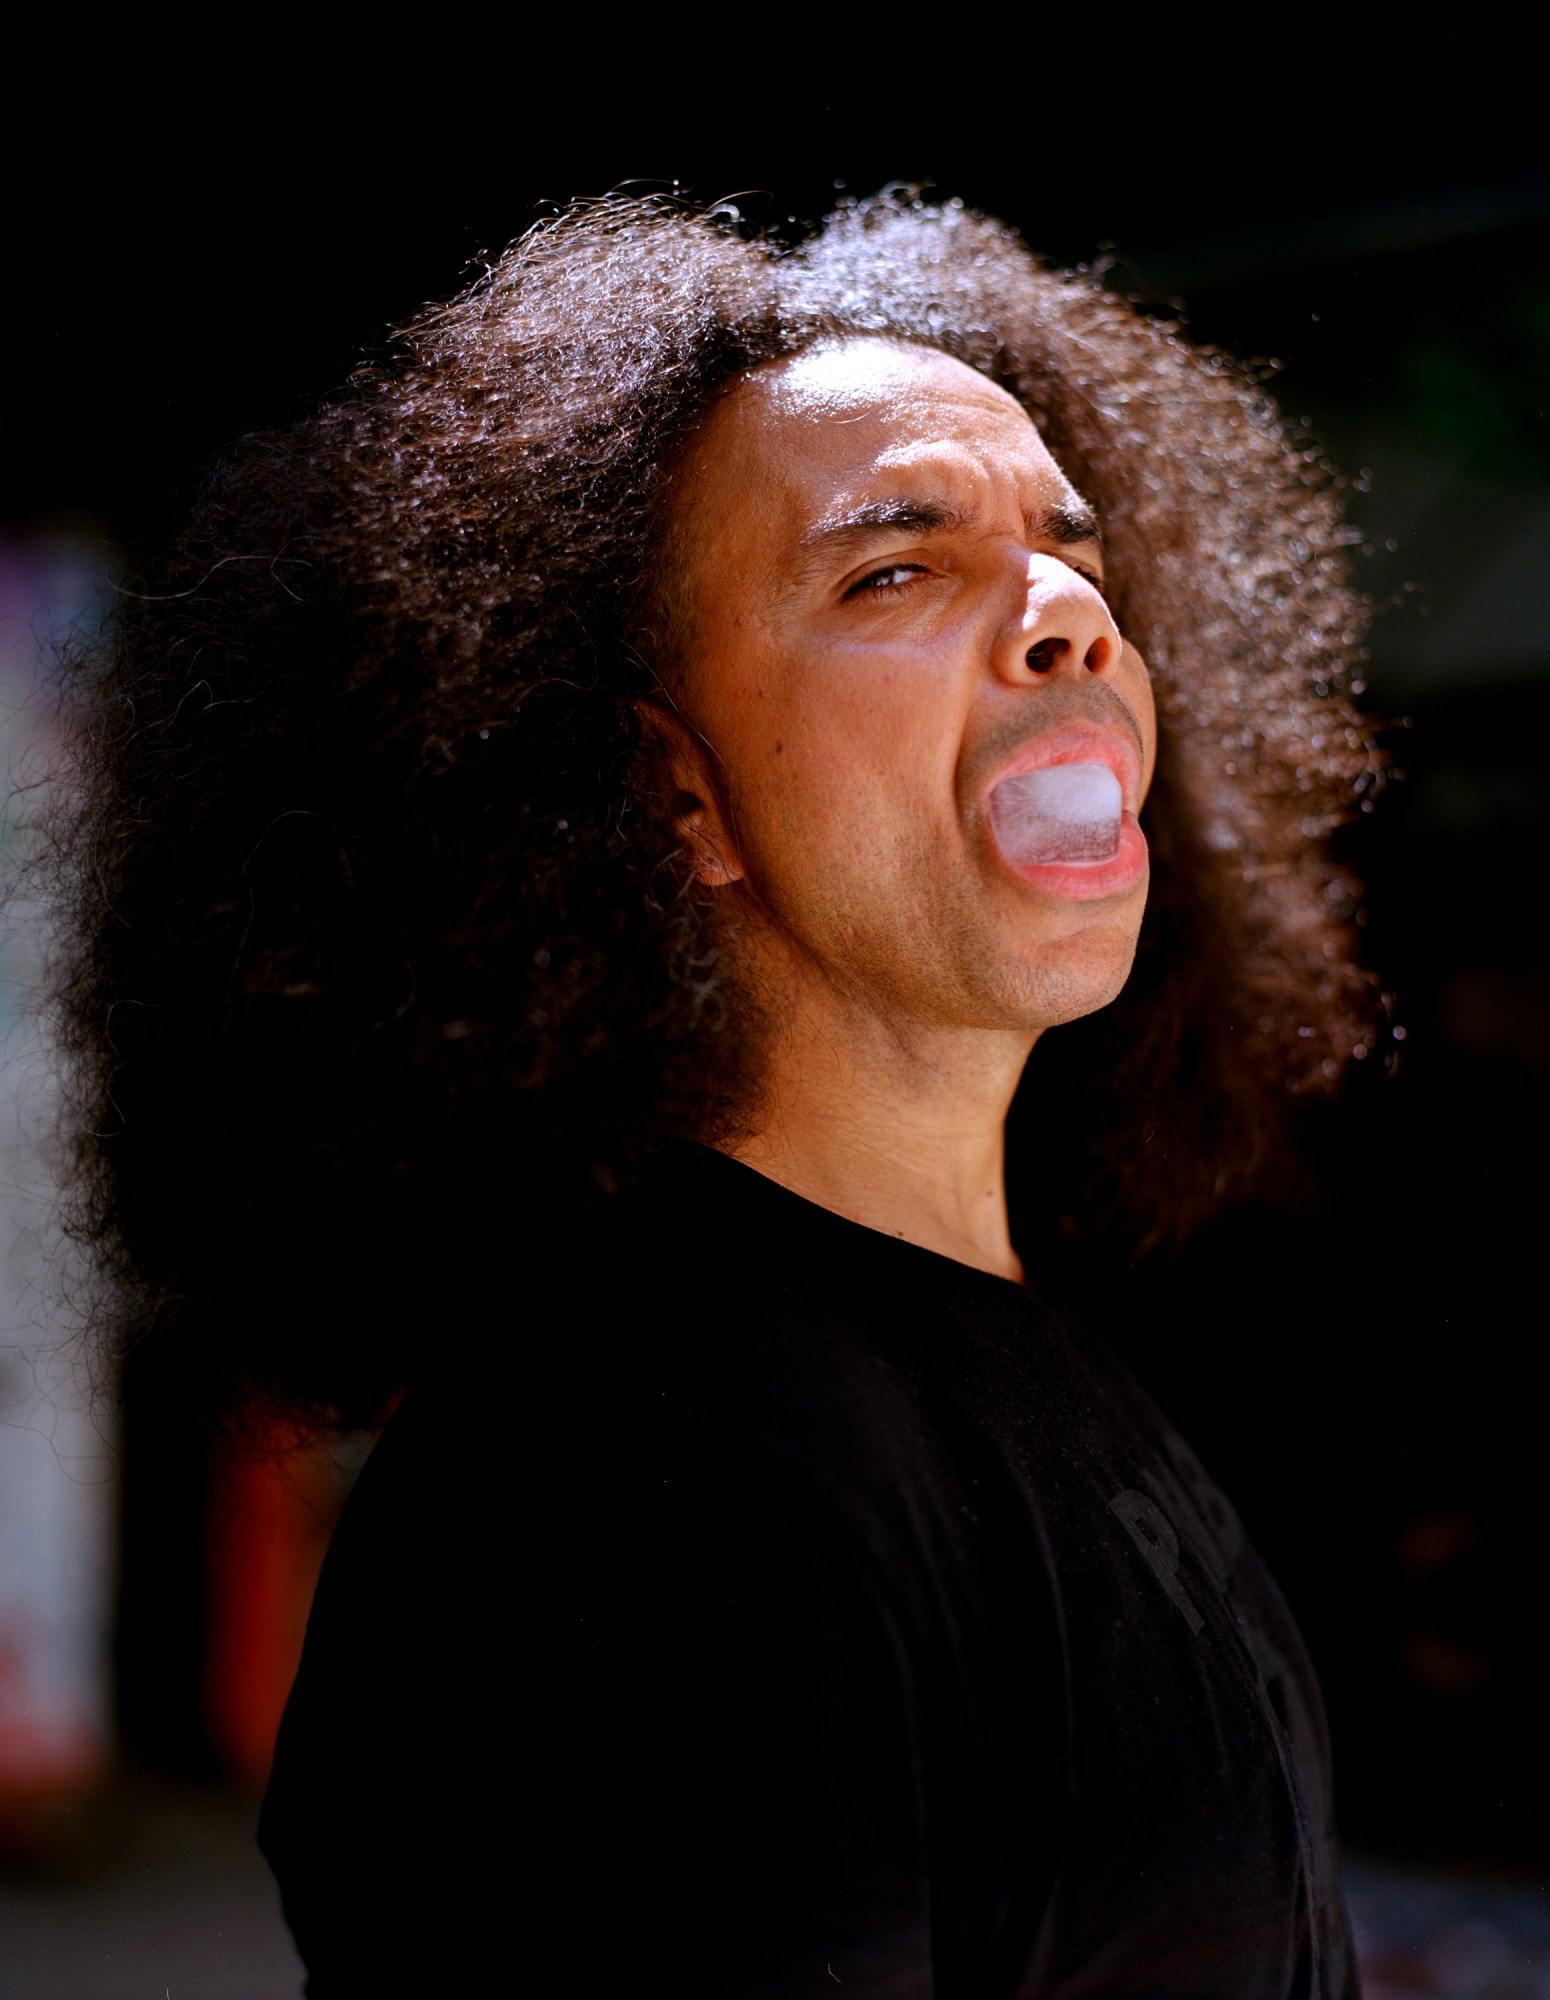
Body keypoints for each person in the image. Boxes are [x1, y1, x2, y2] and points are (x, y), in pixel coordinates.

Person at [54, 192, 1379, 1995]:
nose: (1065, 611)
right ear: (662, 798)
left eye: (1069, 550)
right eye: (892, 569)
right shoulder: (653, 1492)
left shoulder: (981, 1353)